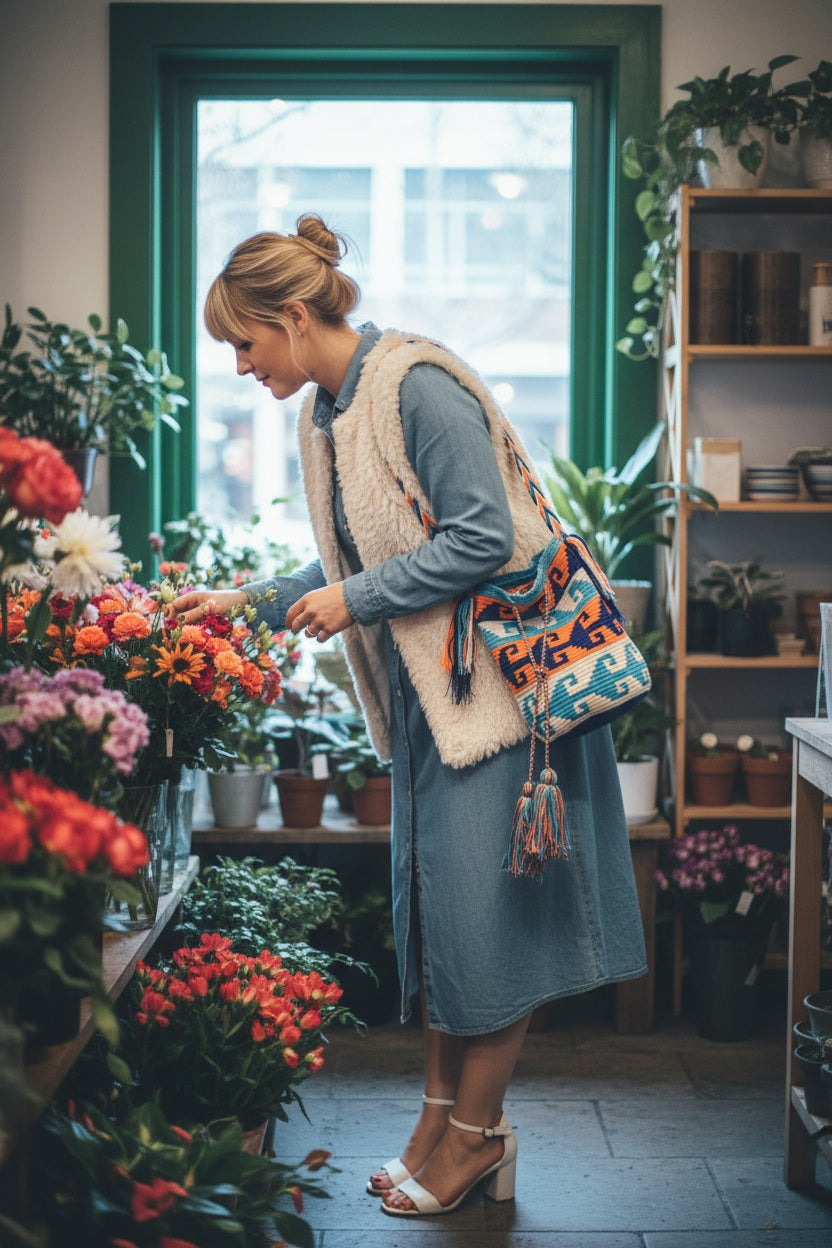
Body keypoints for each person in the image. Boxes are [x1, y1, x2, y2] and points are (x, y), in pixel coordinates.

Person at [169, 213, 647, 1218]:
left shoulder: (417, 386)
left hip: (510, 699)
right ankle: (438, 1126)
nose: (242, 365)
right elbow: (352, 562)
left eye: (246, 343)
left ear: (295, 314)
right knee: (443, 924)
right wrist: (245, 602)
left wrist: (354, 599)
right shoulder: (328, 411)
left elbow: (477, 538)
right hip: (442, 699)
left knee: (489, 929)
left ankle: (475, 1138)